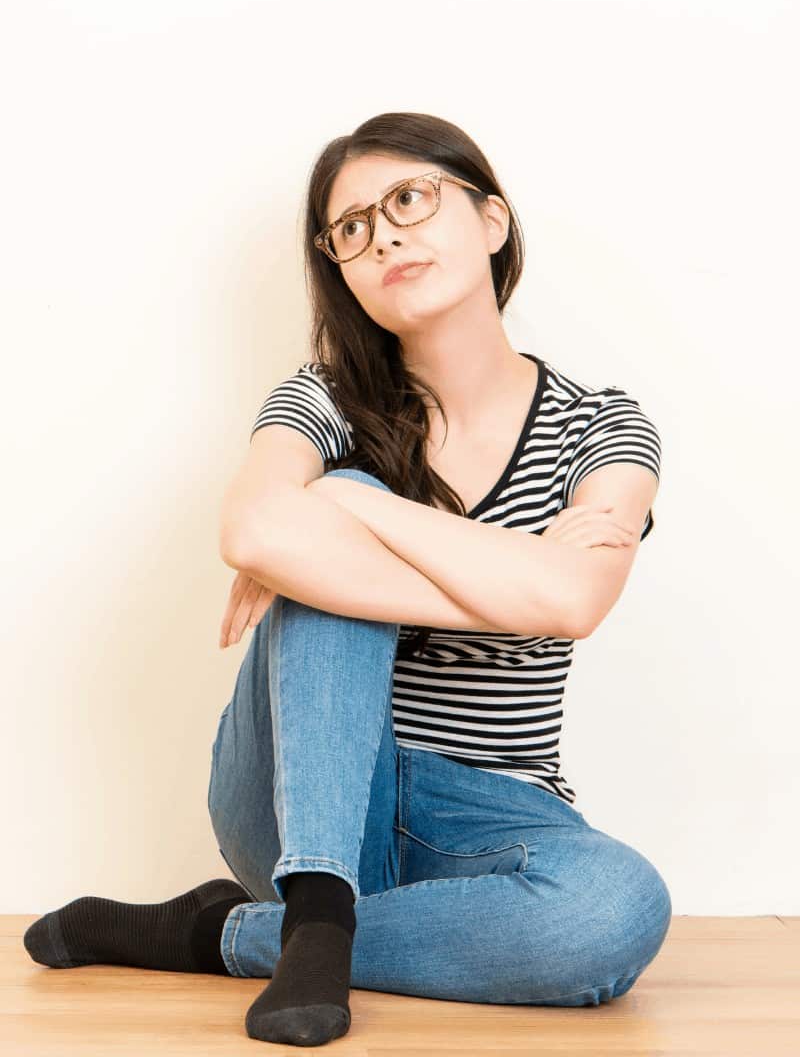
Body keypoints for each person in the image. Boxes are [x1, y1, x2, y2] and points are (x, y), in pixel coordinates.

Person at [24, 112, 671, 1047]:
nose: (385, 238)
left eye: (410, 199)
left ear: (492, 219)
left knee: (615, 911)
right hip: (303, 792)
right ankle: (318, 903)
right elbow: (252, 528)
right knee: (342, 517)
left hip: (489, 811)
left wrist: (345, 505)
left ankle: (226, 933)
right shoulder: (321, 398)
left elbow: (575, 601)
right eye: (353, 229)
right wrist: (510, 585)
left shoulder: (601, 427)